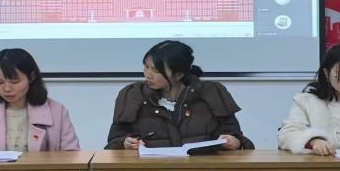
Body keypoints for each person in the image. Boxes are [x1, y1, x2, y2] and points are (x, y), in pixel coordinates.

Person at [106, 40, 254, 150]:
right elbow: (113, 142)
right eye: (146, 67)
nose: (148, 74)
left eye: (156, 71)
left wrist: (235, 142)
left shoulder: (211, 93)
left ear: (179, 74)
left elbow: (236, 136)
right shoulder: (133, 95)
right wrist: (125, 143)